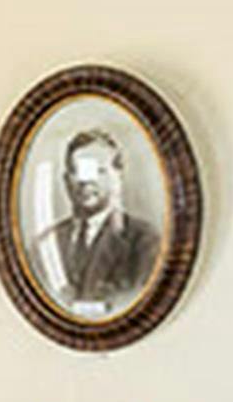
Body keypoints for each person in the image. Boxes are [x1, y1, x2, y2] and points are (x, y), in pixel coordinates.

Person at [41, 130, 160, 315]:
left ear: (117, 177)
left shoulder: (144, 241)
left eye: (98, 171)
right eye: (77, 172)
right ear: (66, 180)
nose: (86, 181)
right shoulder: (47, 242)